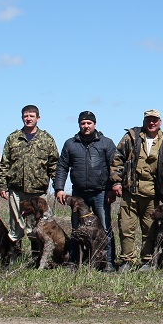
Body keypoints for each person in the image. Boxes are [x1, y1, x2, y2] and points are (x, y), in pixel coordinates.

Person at [110, 109, 163, 272]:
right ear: (144, 121)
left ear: (160, 122)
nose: (152, 123)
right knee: (126, 228)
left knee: (150, 229)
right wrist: (116, 182)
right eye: (149, 119)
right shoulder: (131, 137)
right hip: (130, 192)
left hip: (153, 195)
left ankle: (148, 261)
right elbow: (117, 159)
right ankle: (127, 260)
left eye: (155, 120)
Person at [54, 111, 118, 271]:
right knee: (77, 229)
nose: (86, 126)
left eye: (89, 123)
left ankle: (108, 262)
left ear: (94, 124)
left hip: (100, 192)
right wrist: (59, 188)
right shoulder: (70, 144)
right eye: (83, 123)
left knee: (104, 227)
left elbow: (115, 166)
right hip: (79, 194)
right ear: (79, 125)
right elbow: (62, 167)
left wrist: (112, 188)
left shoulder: (106, 143)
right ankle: (73, 262)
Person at [0, 105, 59, 264]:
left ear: (38, 118)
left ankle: (36, 259)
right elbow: (5, 164)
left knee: (36, 227)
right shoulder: (13, 138)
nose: (28, 118)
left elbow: (54, 165)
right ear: (22, 118)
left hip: (38, 193)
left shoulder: (47, 139)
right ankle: (13, 258)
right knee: (16, 227)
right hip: (16, 190)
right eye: (26, 116)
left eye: (31, 116)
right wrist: (2, 186)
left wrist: (58, 187)